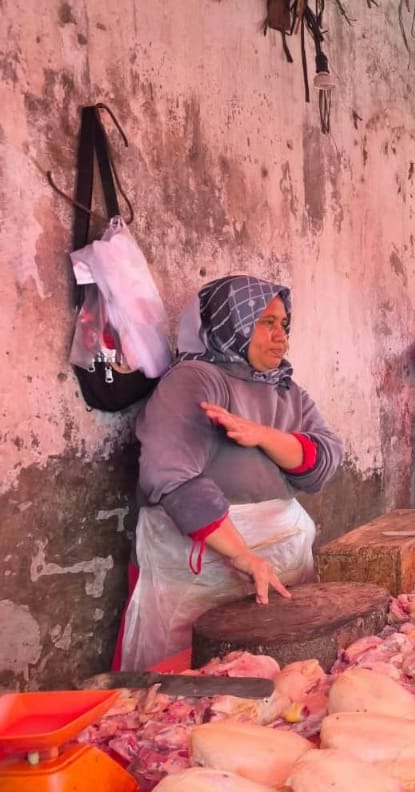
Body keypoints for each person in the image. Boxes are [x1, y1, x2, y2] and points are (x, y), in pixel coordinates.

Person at [122, 275, 343, 670]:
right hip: (202, 562)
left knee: (279, 674)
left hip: (280, 556)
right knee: (189, 677)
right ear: (232, 323)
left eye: (284, 325)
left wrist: (265, 437)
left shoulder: (286, 389)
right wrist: (242, 555)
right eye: (267, 323)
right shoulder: (196, 379)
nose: (282, 338)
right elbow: (170, 475)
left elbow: (323, 462)